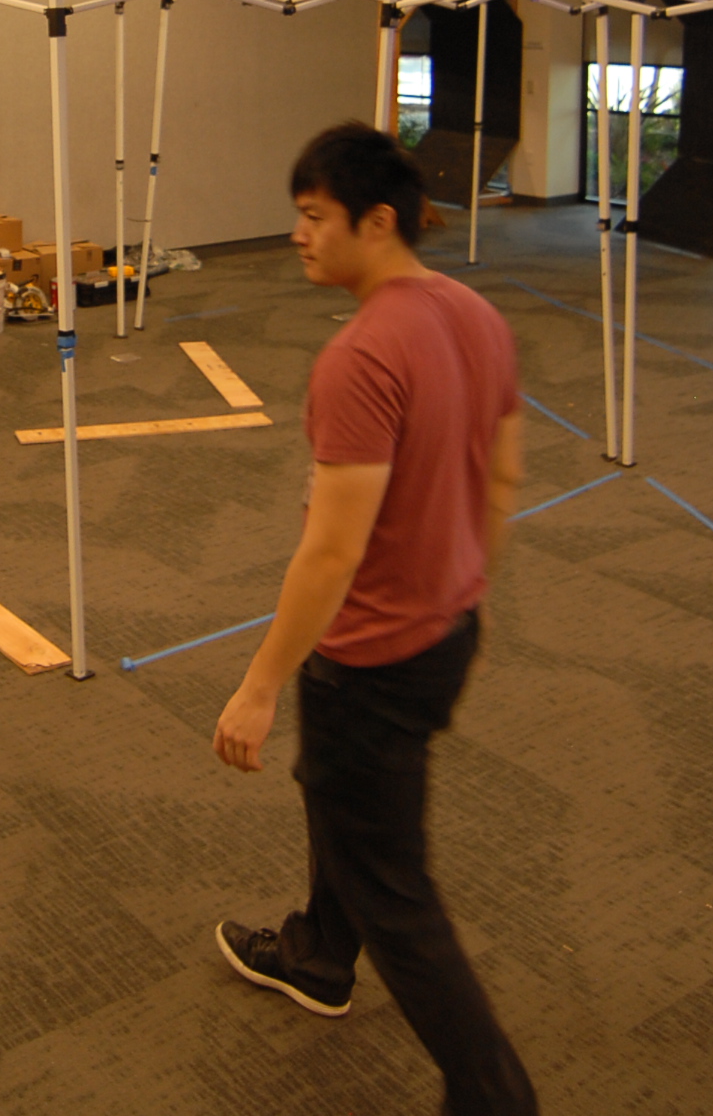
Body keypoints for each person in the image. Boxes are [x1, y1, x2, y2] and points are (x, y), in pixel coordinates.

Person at [209, 123, 536, 1115]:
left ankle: (494, 1096)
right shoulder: (477, 316)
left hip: (371, 663)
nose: (298, 236)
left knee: (394, 888)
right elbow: (504, 478)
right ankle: (318, 955)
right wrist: (462, 591)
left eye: (315, 218)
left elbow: (331, 552)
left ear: (377, 221)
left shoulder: (358, 360)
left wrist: (259, 686)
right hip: (447, 631)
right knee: (343, 806)